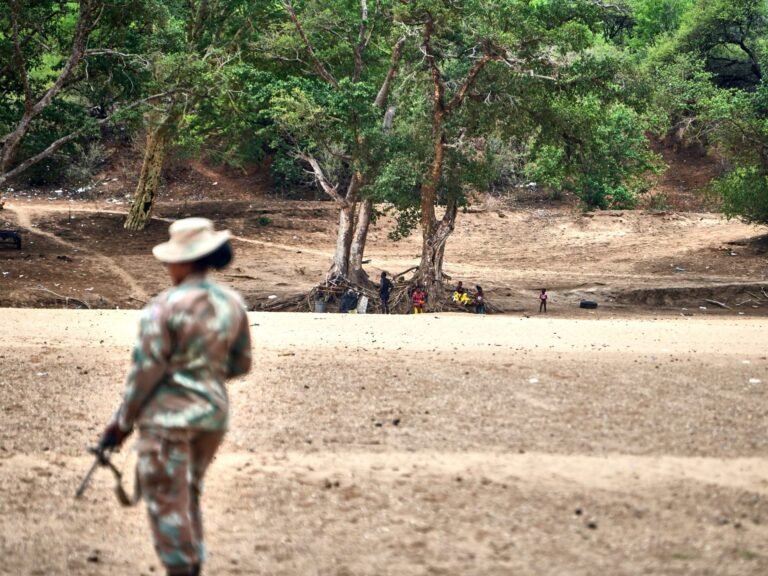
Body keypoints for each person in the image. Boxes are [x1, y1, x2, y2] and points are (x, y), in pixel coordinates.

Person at [99, 217, 252, 576]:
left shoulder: (164, 307)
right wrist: (203, 374)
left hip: (169, 420)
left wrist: (121, 424)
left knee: (168, 502)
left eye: (170, 259)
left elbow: (144, 373)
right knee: (188, 495)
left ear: (185, 260)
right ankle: (193, 564)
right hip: (213, 417)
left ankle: (182, 569)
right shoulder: (232, 303)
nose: (166, 265)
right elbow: (241, 363)